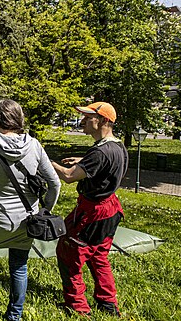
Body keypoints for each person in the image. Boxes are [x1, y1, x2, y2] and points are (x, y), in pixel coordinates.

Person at [0, 99, 61, 319]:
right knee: (19, 266)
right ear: (20, 119)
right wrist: (45, 209)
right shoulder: (34, 146)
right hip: (27, 222)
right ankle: (14, 315)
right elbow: (55, 183)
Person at [50, 101, 128, 317]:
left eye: (87, 117)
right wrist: (83, 161)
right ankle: (108, 304)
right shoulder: (117, 146)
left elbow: (67, 176)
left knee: (69, 254)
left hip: (92, 213)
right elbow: (105, 161)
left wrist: (44, 160)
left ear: (103, 120)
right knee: (99, 256)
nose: (82, 121)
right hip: (110, 210)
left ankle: (78, 307)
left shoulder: (100, 153)